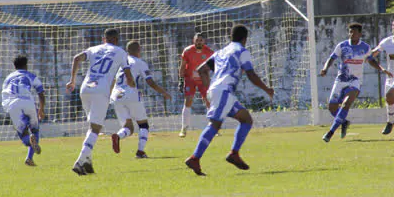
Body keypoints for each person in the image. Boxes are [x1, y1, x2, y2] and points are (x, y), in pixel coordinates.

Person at [185, 24, 274, 176]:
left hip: (221, 92)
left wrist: (208, 90)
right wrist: (267, 89)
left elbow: (201, 70)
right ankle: (195, 157)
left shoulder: (221, 51)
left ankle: (234, 153)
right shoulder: (241, 51)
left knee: (246, 119)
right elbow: (251, 74)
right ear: (245, 38)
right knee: (215, 124)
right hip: (224, 92)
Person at [66, 28, 135, 176]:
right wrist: (132, 87)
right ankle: (79, 161)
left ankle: (87, 163)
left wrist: (72, 81)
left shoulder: (93, 49)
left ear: (104, 39)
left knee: (92, 127)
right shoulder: (121, 52)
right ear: (116, 40)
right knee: (95, 128)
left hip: (85, 89)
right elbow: (128, 76)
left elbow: (76, 58)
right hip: (101, 91)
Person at [320, 23, 392, 142]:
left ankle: (330, 133)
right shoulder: (342, 45)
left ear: (360, 34)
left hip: (355, 81)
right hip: (341, 80)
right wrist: (325, 68)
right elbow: (332, 58)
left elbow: (371, 60)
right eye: (350, 32)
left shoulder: (365, 47)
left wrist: (382, 69)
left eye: (354, 32)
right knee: (332, 107)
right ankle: (344, 122)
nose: (352, 34)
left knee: (346, 103)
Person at [110, 41, 171, 158]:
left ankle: (118, 136)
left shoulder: (119, 63)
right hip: (131, 94)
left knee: (128, 127)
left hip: (116, 96)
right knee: (143, 125)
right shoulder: (139, 63)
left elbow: (112, 80)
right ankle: (140, 151)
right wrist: (163, 92)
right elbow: (150, 82)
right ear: (139, 50)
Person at [1, 55, 46, 166]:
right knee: (35, 130)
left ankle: (28, 141)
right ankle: (29, 158)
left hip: (13, 104)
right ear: (26, 65)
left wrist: (8, 109)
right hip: (28, 102)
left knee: (23, 134)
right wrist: (41, 109)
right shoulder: (30, 75)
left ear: (14, 66)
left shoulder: (8, 78)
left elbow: (4, 94)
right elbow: (41, 92)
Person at [178, 33, 214, 137]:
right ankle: (184, 128)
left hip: (203, 79)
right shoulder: (188, 51)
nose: (199, 42)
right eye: (197, 40)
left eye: (201, 40)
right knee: (188, 100)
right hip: (190, 79)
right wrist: (180, 80)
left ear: (204, 41)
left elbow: (214, 66)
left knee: (208, 100)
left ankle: (212, 126)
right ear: (194, 41)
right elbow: (183, 66)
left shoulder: (210, 52)